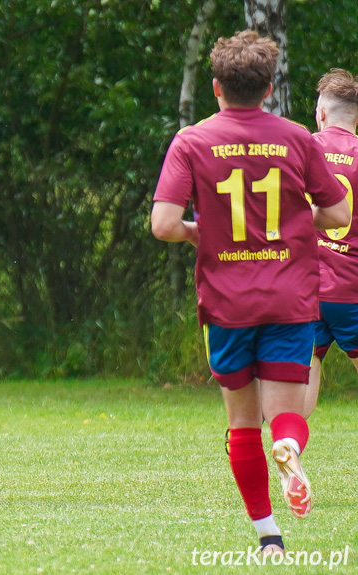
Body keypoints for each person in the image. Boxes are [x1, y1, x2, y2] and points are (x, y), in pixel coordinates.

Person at [150, 31, 349, 555]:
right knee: (288, 411)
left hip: (226, 302)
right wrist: (294, 218)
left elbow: (164, 224)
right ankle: (288, 445)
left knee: (241, 423)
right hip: (290, 297)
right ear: (267, 90)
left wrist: (200, 230)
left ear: (216, 88)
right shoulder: (297, 138)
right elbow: (339, 214)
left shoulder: (192, 140)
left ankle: (268, 539)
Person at [304, 69, 358, 418]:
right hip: (352, 290)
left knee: (302, 377)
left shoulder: (302, 149)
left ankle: (290, 450)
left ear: (321, 113)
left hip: (306, 291)